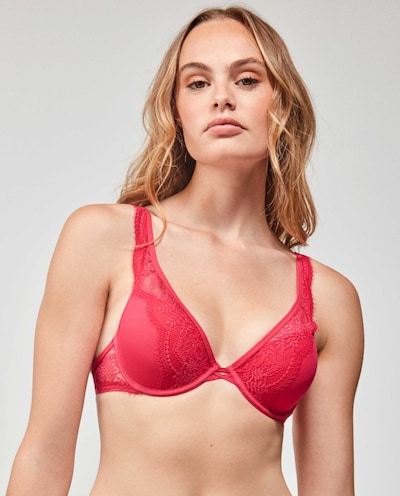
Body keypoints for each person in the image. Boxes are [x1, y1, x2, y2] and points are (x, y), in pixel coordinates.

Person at [6, 6, 364, 496]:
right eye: (197, 83)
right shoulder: (105, 240)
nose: (221, 97)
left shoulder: (330, 299)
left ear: (283, 106)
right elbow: (44, 457)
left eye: (247, 80)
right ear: (177, 113)